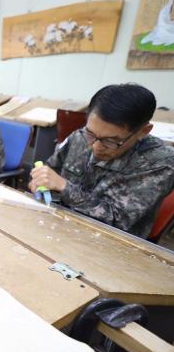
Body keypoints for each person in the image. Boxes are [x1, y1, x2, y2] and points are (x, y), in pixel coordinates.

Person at [29, 84, 174, 238]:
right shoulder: (80, 137)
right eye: (91, 133)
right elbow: (51, 170)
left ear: (143, 132)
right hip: (58, 226)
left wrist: (65, 187)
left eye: (111, 141)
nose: (96, 146)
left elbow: (117, 221)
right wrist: (40, 181)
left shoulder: (159, 163)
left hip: (111, 244)